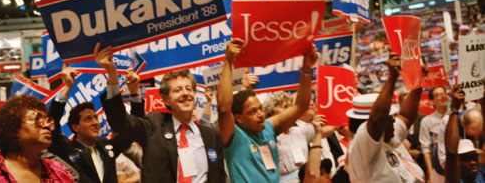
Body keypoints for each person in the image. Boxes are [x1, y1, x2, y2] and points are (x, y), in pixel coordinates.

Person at [96, 43, 226, 183]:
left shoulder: (212, 136)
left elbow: (219, 177)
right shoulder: (154, 125)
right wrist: (112, 74)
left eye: (189, 88)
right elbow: (121, 123)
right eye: (177, 90)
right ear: (166, 100)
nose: (185, 93)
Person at [217, 38, 318, 182]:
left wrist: (307, 69)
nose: (260, 114)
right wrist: (228, 62)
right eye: (252, 112)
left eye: (260, 109)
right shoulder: (232, 135)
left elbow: (300, 106)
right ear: (238, 118)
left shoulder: (268, 128)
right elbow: (223, 107)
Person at [48, 66, 134, 183]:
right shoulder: (67, 150)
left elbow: (129, 130)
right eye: (88, 119)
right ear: (75, 127)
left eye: (95, 118)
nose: (95, 122)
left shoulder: (106, 146)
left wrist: (114, 77)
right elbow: (52, 122)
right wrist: (67, 87)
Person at [347, 53, 424, 182]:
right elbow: (377, 119)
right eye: (389, 117)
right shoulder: (363, 142)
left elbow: (405, 117)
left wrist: (418, 81)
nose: (394, 120)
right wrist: (392, 78)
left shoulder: (389, 135)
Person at [0, 94, 74, 182]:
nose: (47, 125)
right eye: (37, 119)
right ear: (13, 128)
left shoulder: (58, 171)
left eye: (47, 120)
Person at [444, 84, 485, 183]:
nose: (472, 162)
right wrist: (454, 109)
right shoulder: (454, 180)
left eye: (474, 157)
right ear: (456, 164)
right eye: (466, 159)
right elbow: (451, 153)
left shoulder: (478, 177)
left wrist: (483, 102)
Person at [419, 86, 449, 183]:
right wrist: (431, 172)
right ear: (432, 101)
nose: (443, 96)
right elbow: (426, 148)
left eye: (444, 93)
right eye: (438, 95)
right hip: (438, 167)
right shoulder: (427, 121)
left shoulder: (456, 115)